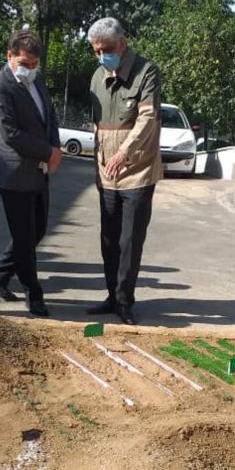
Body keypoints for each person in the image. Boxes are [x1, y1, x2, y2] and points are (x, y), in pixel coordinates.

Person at [86, 17, 162, 326]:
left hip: (137, 170)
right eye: (96, 51)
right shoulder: (97, 77)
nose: (101, 55)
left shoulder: (146, 71)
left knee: (130, 241)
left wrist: (123, 153)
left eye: (106, 49)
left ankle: (124, 300)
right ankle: (111, 295)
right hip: (107, 172)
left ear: (123, 44)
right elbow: (96, 128)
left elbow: (147, 119)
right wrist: (100, 165)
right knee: (109, 239)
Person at [0, 29, 61, 317]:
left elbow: (49, 115)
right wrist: (47, 152)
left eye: (34, 64)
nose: (29, 69)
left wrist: (55, 147)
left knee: (37, 231)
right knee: (25, 238)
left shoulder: (36, 80)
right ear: (9, 56)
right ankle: (34, 294)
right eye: (24, 63)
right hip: (14, 174)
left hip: (39, 172)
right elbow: (10, 133)